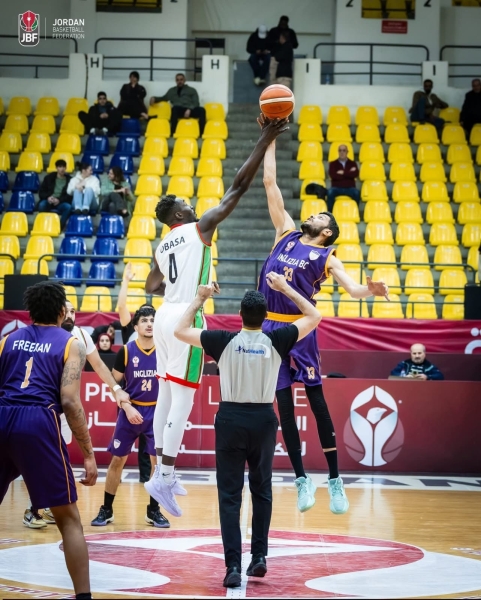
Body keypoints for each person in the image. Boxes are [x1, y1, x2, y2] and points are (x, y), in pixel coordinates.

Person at [143, 117, 289, 519]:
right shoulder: (197, 228)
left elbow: (151, 284)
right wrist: (266, 136)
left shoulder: (162, 244)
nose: (192, 205)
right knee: (183, 399)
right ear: (179, 214)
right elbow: (238, 187)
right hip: (187, 315)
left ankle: (160, 472)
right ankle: (165, 475)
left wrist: (183, 280)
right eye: (186, 204)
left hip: (165, 313)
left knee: (166, 395)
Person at [259, 129, 389, 515]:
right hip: (269, 328)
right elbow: (269, 182)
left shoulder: (328, 256)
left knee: (317, 403)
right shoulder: (284, 233)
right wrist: (270, 137)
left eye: (319, 215)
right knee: (284, 408)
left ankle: (334, 480)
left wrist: (370, 290)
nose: (311, 214)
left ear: (327, 231)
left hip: (301, 328)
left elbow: (352, 289)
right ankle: (301, 480)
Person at [174, 275, 321, 588]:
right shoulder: (278, 339)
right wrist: (285, 288)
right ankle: (259, 557)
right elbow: (314, 315)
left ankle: (232, 566)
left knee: (230, 496)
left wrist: (200, 298)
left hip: (231, 419)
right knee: (262, 490)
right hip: (263, 420)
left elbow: (180, 330)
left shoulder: (223, 340)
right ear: (266, 316)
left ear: (239, 315)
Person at [0, 281, 97, 599]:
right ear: (61, 311)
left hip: (2, 415)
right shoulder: (71, 343)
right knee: (68, 520)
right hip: (37, 421)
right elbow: (69, 400)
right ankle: (84, 596)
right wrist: (88, 453)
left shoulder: (7, 340)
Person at [23, 300, 130, 527]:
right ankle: (33, 509)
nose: (70, 315)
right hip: (40, 406)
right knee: (40, 458)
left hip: (64, 407)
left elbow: (99, 365)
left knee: (55, 457)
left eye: (73, 311)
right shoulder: (38, 335)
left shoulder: (81, 335)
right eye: (66, 310)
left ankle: (48, 505)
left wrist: (116, 389)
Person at [91, 307, 172, 529]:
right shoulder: (126, 351)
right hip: (130, 411)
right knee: (117, 461)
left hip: (155, 412)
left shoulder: (164, 350)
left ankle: (153, 510)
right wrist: (126, 407)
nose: (149, 324)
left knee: (157, 463)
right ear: (135, 326)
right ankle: (107, 509)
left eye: (152, 320)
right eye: (144, 320)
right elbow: (115, 386)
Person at [37, 158, 72, 230]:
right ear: (56, 168)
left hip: (61, 202)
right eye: (60, 167)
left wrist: (59, 200)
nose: (62, 169)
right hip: (49, 200)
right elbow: (41, 192)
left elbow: (69, 195)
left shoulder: (69, 180)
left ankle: (59, 227)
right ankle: (44, 225)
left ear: (66, 168)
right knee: (42, 205)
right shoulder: (48, 178)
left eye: (63, 167)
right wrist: (48, 197)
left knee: (68, 207)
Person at [327, 144, 360, 211]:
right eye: (340, 150)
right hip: (336, 188)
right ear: (338, 152)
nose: (342, 152)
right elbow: (333, 175)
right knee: (330, 192)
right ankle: (330, 214)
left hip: (350, 188)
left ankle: (355, 211)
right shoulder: (333, 164)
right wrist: (349, 173)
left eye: (344, 150)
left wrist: (343, 173)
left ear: (347, 152)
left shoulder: (352, 163)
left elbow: (355, 174)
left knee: (356, 193)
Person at [267, 16, 298, 84]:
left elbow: (295, 44)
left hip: (284, 60)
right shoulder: (273, 31)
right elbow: (267, 44)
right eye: (282, 22)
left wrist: (287, 43)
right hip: (275, 57)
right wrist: (276, 43)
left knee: (283, 80)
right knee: (273, 79)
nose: (283, 24)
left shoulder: (290, 32)